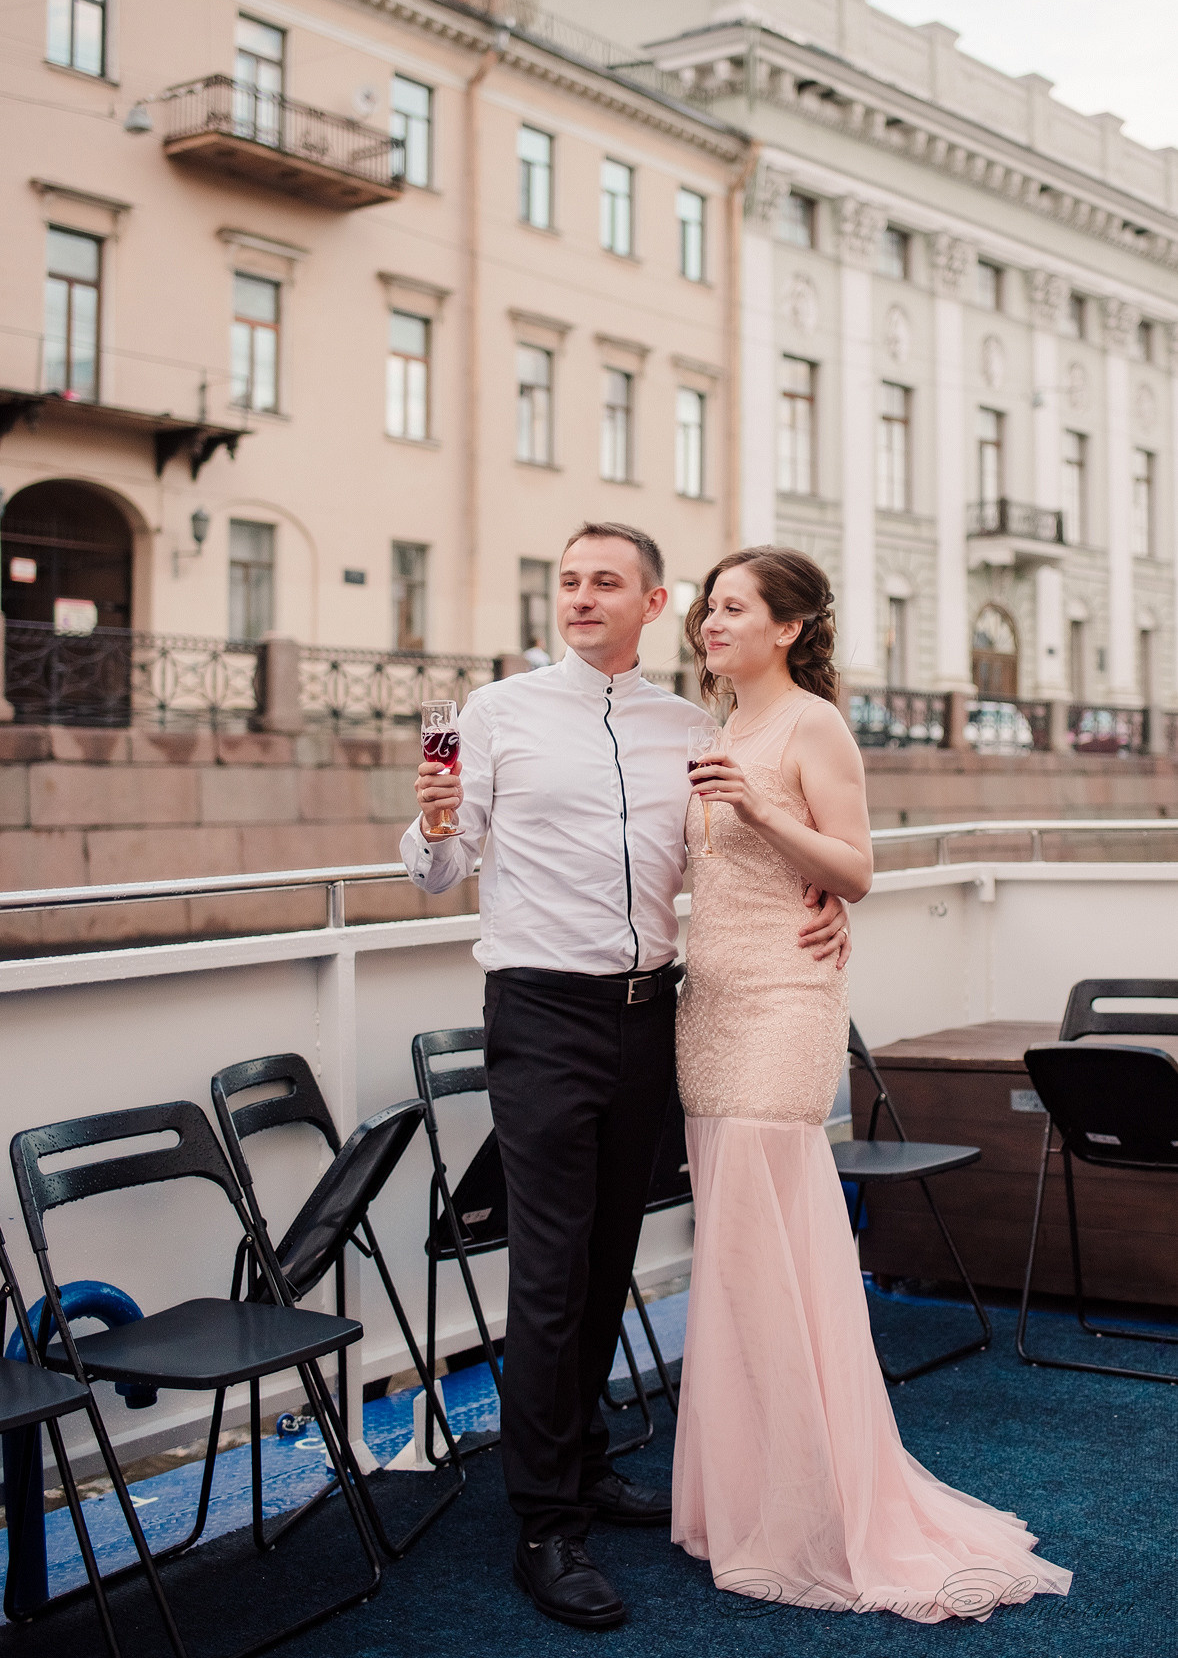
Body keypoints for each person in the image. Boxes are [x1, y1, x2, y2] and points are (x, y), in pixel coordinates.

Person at [401, 523, 851, 1630]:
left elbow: (732, 852)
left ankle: (588, 1457)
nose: (579, 597)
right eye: (566, 581)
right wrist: (428, 823)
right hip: (541, 1012)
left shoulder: (690, 726)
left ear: (654, 606)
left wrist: (822, 894)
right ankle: (544, 1520)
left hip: (656, 1012)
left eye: (605, 583)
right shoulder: (495, 711)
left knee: (611, 1251)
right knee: (550, 1267)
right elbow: (437, 872)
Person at [671, 545, 1073, 1623]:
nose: (710, 624)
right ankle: (739, 1497)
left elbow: (852, 869)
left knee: (778, 1254)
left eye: (732, 609)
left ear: (786, 628)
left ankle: (816, 1509)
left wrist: (759, 811)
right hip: (703, 1011)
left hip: (781, 1007)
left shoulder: (810, 725)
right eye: (708, 608)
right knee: (734, 1253)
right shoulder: (714, 729)